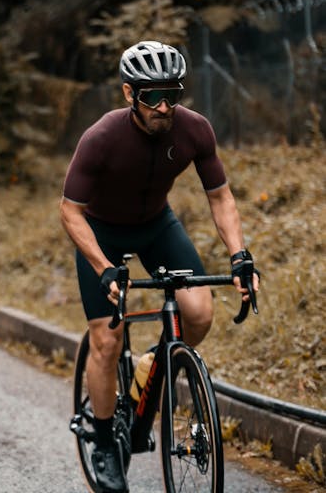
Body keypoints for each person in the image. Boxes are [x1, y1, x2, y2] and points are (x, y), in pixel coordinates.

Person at [59, 40, 260, 493]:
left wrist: (239, 255)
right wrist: (104, 266)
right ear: (130, 94)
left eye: (173, 94)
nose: (164, 106)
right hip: (102, 233)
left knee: (199, 314)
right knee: (107, 341)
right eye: (152, 96)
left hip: (156, 227)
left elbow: (220, 196)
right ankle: (106, 441)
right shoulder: (101, 137)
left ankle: (152, 364)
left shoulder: (194, 130)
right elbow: (70, 210)